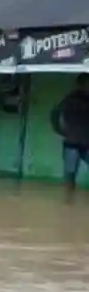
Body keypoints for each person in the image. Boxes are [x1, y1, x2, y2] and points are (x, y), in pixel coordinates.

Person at [51, 73, 89, 201]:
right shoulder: (71, 99)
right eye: (86, 83)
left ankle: (69, 202)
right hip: (72, 142)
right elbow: (55, 113)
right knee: (70, 175)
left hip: (85, 141)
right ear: (80, 84)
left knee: (70, 174)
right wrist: (60, 130)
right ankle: (68, 202)